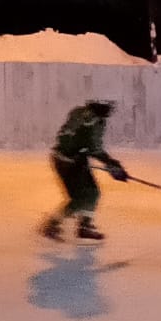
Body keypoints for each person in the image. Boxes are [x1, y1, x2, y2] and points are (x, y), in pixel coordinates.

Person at [38, 100, 128, 241]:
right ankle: (52, 224)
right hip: (65, 162)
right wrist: (72, 153)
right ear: (100, 105)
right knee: (80, 199)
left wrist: (112, 165)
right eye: (108, 106)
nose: (111, 110)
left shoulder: (96, 120)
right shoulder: (85, 118)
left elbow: (92, 148)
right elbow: (68, 138)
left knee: (93, 193)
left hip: (78, 161)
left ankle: (85, 226)